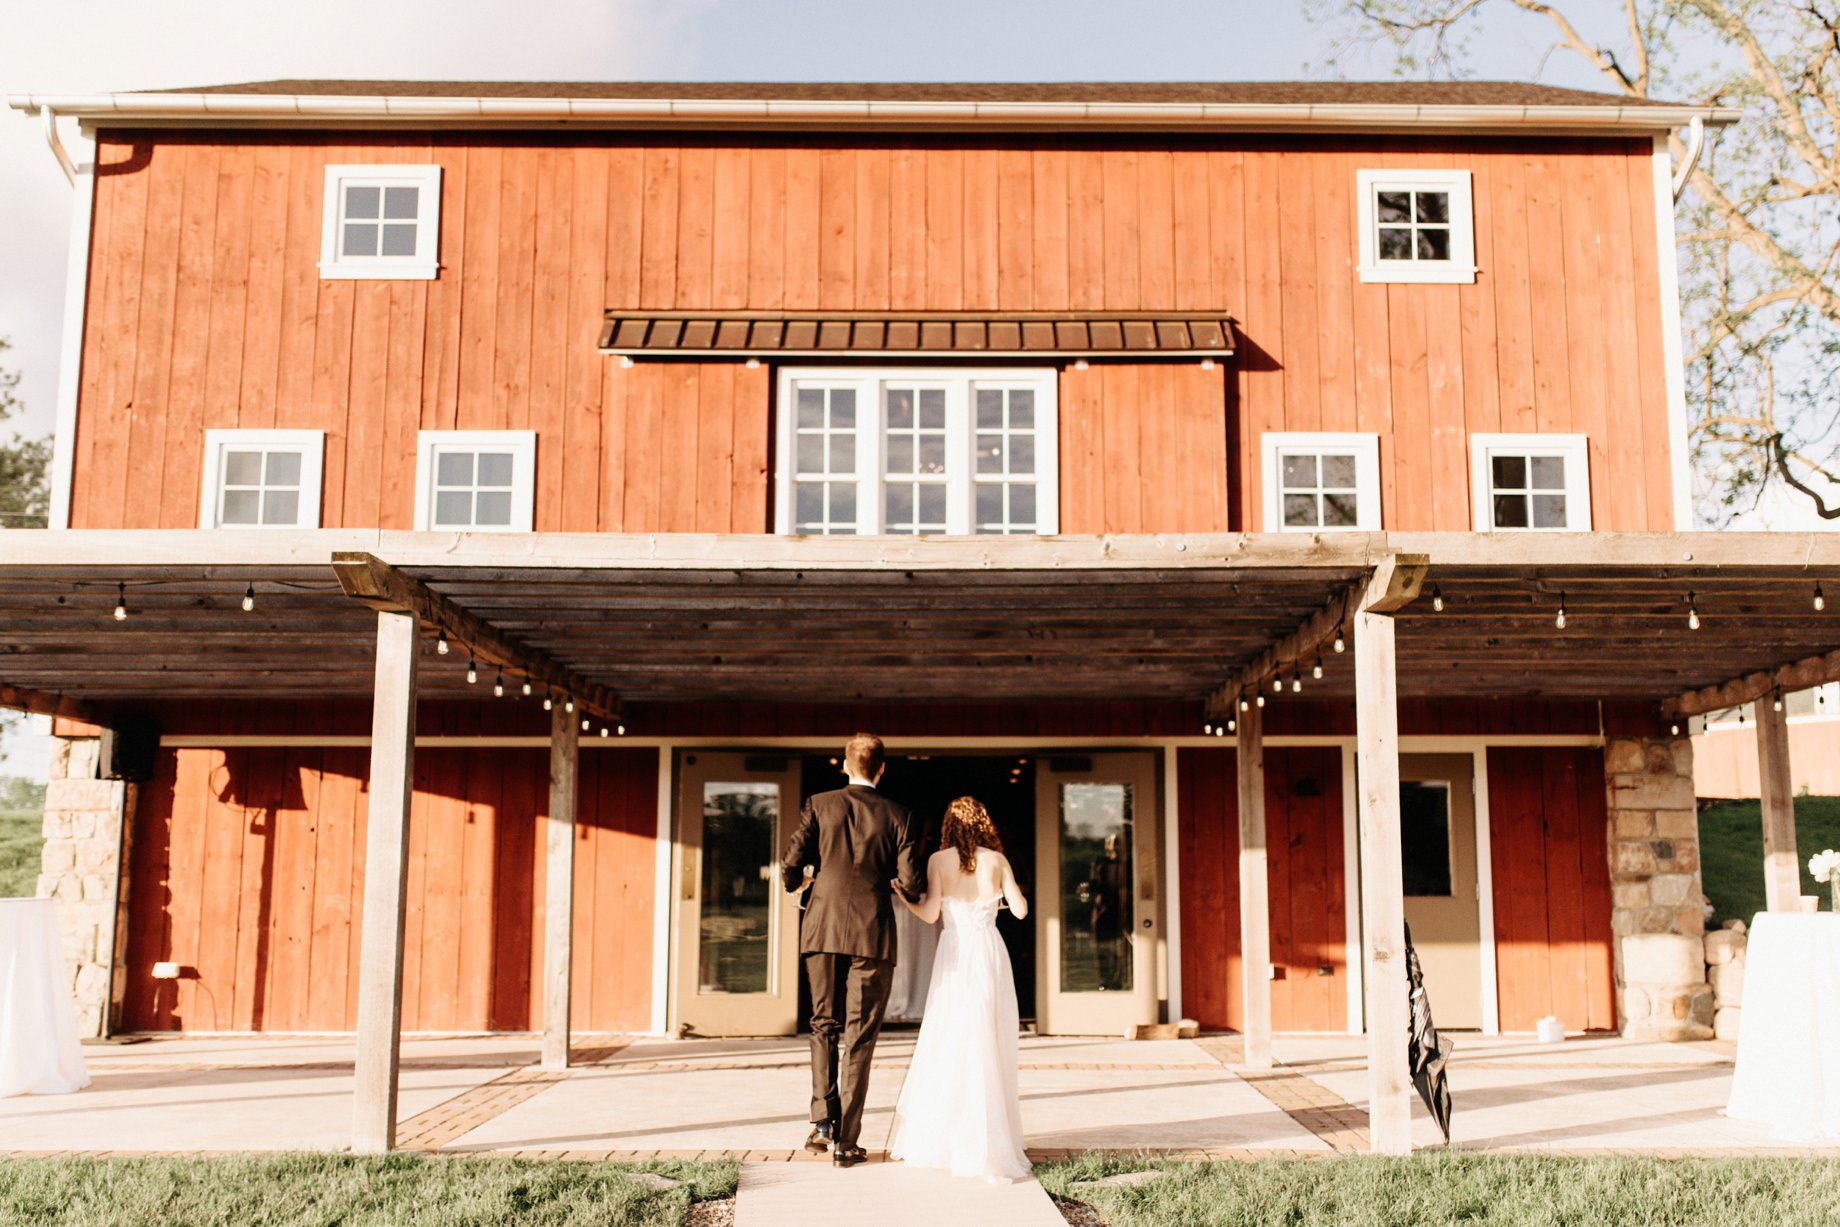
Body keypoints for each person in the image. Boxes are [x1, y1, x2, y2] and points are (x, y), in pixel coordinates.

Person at [781, 732, 924, 1169]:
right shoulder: (900, 815)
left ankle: (823, 1120)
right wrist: (898, 887)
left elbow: (790, 866)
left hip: (821, 925)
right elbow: (913, 884)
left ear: (845, 765)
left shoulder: (818, 805)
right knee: (861, 1036)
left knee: (823, 1022)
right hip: (872, 932)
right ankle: (848, 1142)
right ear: (882, 769)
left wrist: (800, 882)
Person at [886, 795, 1032, 1184]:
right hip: (987, 952)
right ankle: (989, 1139)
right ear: (984, 825)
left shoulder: (937, 861)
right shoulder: (997, 861)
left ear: (950, 827)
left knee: (950, 1039)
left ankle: (948, 1137)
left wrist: (905, 898)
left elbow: (931, 914)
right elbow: (1020, 911)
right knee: (988, 1039)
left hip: (953, 955)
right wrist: (1004, 891)